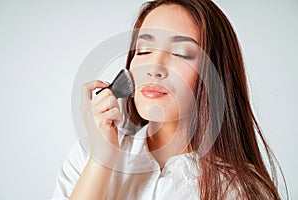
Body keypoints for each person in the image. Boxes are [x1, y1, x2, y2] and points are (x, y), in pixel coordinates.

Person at [51, 0, 287, 199]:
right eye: (143, 50)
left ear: (214, 75)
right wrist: (101, 161)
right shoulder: (87, 154)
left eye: (181, 53)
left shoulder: (241, 190)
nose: (154, 67)